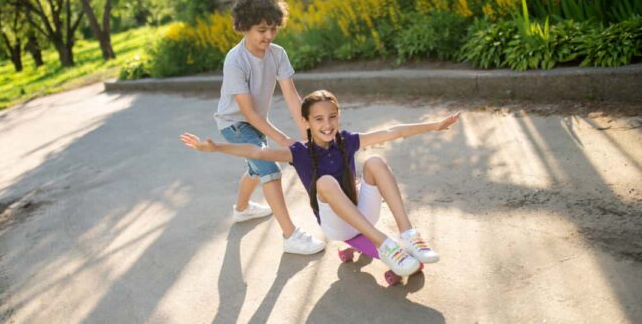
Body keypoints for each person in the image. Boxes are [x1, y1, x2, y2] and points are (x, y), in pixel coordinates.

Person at [182, 90, 460, 276]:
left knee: (374, 161)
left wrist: (434, 126)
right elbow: (257, 152)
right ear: (306, 122)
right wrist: (217, 147)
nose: (327, 124)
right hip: (336, 224)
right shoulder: (299, 152)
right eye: (318, 119)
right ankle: (386, 245)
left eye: (332, 117)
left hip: (362, 213)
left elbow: (392, 132)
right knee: (325, 182)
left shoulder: (347, 140)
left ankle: (408, 235)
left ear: (338, 116)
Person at [213, 0, 325, 255]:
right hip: (234, 124)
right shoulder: (235, 60)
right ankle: (290, 236)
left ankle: (241, 209)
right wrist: (284, 140)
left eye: (273, 28)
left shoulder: (278, 54)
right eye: (261, 30)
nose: (268, 35)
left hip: (254, 122)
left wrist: (310, 135)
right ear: (244, 26)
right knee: (270, 169)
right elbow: (249, 113)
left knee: (255, 168)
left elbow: (291, 96)